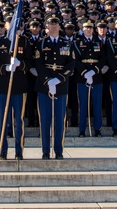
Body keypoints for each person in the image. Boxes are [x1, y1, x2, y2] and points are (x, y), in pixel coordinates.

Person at [33, 15, 77, 159]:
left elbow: (71, 64)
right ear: (46, 28)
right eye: (50, 24)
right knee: (45, 120)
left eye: (56, 24)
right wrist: (47, 81)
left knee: (60, 120)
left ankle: (59, 150)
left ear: (59, 26)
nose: (53, 26)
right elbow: (38, 65)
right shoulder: (41, 43)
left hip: (61, 85)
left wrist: (58, 79)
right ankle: (45, 151)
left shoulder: (67, 43)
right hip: (44, 86)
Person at [0, 19, 30, 160]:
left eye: (17, 24)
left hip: (20, 86)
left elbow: (30, 62)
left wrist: (20, 64)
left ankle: (19, 150)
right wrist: (5, 68)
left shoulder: (25, 42)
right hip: (4, 86)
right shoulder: (0, 41)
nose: (14, 26)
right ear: (6, 26)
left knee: (19, 120)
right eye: (11, 23)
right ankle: (3, 150)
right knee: (3, 119)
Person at [73, 19, 108, 137]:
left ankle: (97, 129)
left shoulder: (98, 42)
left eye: (90, 28)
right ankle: (82, 129)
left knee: (97, 104)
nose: (88, 30)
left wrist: (93, 71)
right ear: (82, 29)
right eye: (86, 28)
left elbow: (102, 59)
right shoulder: (77, 42)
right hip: (82, 77)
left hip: (96, 77)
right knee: (83, 104)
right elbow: (76, 60)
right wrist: (84, 72)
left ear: (93, 30)